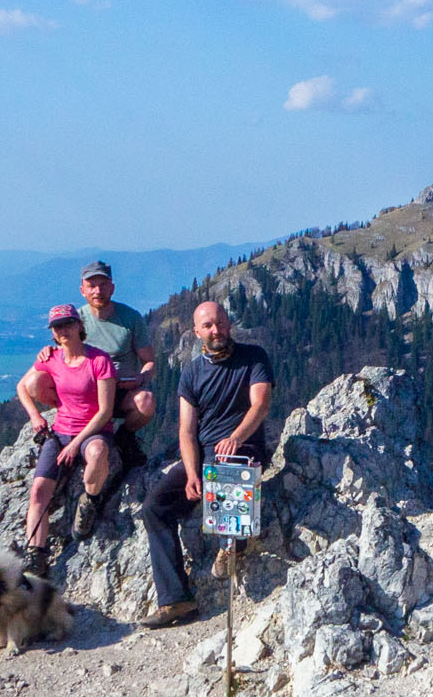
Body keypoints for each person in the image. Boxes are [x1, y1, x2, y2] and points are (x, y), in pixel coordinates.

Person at [140, 301, 273, 627]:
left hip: (244, 449)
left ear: (229, 324)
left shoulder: (254, 357)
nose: (217, 331)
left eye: (221, 323)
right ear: (198, 332)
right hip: (203, 455)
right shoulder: (192, 371)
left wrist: (237, 437)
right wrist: (189, 473)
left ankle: (232, 545)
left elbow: (261, 403)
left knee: (227, 467)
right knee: (154, 508)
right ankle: (175, 600)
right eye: (209, 326)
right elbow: (186, 429)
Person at [17, 261, 155, 471]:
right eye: (91, 286)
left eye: (103, 285)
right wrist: (48, 351)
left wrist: (142, 378)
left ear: (112, 288)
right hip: (82, 393)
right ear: (82, 291)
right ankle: (69, 416)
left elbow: (150, 361)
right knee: (35, 382)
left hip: (120, 391)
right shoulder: (74, 318)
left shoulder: (131, 318)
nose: (97, 291)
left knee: (146, 401)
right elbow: (61, 347)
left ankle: (124, 438)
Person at [17, 304, 117, 574]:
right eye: (57, 327)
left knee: (96, 453)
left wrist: (75, 444)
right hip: (60, 430)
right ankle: (36, 553)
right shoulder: (50, 358)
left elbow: (105, 411)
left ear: (79, 326)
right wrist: (36, 418)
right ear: (53, 332)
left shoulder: (99, 360)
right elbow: (23, 387)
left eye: (68, 324)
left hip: (93, 431)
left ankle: (90, 502)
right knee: (38, 490)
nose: (63, 330)